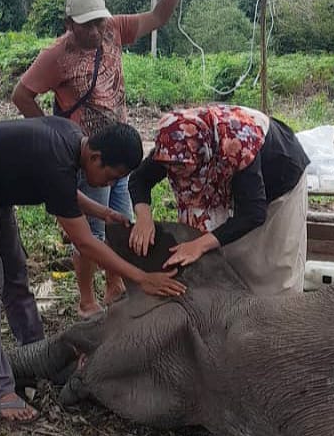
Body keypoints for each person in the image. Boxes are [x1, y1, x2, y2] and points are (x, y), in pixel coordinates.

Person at [0, 116, 186, 422]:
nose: (108, 185)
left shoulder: (73, 141)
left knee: (16, 279)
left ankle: (34, 355)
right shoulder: (56, 160)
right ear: (95, 157)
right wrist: (141, 277)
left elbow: (64, 190)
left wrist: (102, 211)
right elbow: (85, 243)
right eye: (110, 177)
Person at [12, 0, 196, 319]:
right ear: (69, 24)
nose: (95, 32)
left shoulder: (115, 29)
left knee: (122, 221)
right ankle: (86, 300)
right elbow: (22, 95)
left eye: (99, 22)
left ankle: (114, 287)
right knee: (91, 235)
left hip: (120, 154)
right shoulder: (57, 56)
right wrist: (56, 134)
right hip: (89, 157)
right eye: (86, 26)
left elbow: (159, 16)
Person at [128, 104, 311, 296]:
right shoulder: (173, 146)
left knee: (275, 263)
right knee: (229, 255)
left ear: (203, 154)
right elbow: (139, 179)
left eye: (181, 167)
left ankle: (275, 316)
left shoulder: (234, 146)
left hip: (280, 175)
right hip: (235, 176)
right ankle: (233, 304)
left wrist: (198, 245)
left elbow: (253, 213)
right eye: (169, 167)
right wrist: (143, 217)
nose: (174, 172)